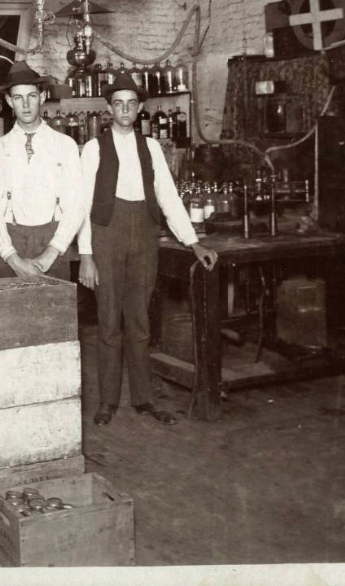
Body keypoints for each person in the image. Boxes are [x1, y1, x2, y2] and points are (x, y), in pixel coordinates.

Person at [78, 71, 217, 427]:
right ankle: (108, 401)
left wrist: (192, 241)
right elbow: (80, 204)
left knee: (139, 322)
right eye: (118, 104)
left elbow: (168, 197)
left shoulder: (152, 147)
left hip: (144, 234)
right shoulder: (94, 148)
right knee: (108, 323)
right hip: (106, 234)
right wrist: (87, 255)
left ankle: (143, 399)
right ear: (109, 109)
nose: (125, 110)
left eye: (131, 104)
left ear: (140, 108)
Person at [0, 60, 84, 281]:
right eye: (18, 98)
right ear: (9, 101)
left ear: (43, 97)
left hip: (53, 246)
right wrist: (13, 258)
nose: (26, 105)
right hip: (8, 248)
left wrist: (50, 253)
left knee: (53, 314)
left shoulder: (65, 146)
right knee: (5, 314)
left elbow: (76, 206)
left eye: (31, 96)